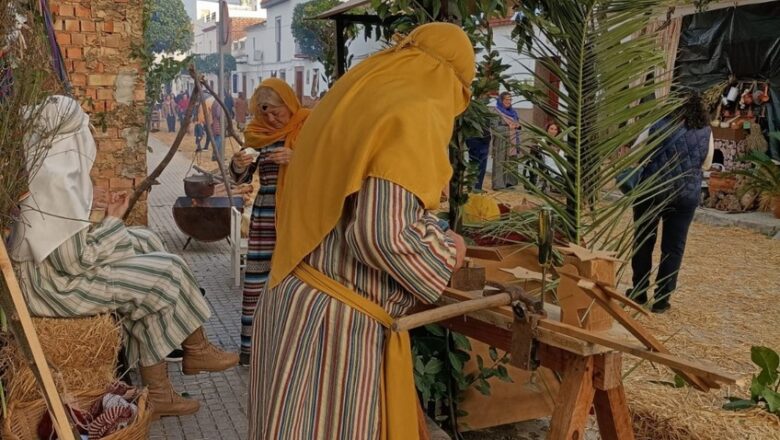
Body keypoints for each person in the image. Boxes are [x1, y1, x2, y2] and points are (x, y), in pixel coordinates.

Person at [247, 22, 471, 440]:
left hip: (295, 299)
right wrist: (447, 249)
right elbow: (380, 235)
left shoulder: (354, 96)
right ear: (451, 81)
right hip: (333, 328)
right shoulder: (415, 110)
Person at [9, 96, 239, 420]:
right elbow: (74, 262)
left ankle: (183, 362)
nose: (87, 132)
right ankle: (188, 357)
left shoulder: (51, 175)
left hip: (56, 273)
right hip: (54, 289)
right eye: (81, 127)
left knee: (144, 239)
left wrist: (102, 215)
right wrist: (113, 224)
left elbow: (66, 245)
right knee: (166, 273)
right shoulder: (54, 186)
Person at [229, 79, 311, 365]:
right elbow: (242, 178)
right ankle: (252, 349)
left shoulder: (309, 128)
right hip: (265, 215)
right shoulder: (257, 135)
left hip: (298, 215)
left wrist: (297, 158)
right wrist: (238, 166)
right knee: (257, 281)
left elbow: (327, 169)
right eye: (266, 114)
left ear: (290, 105)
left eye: (278, 113)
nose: (272, 119)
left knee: (295, 281)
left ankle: (292, 349)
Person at [629, 92, 714, 313]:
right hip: (686, 195)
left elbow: (635, 153)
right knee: (674, 247)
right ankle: (661, 299)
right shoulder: (706, 131)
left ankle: (638, 292)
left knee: (644, 240)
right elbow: (706, 165)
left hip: (652, 191)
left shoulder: (656, 125)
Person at [492, 92, 520, 190]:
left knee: (511, 161)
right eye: (506, 99)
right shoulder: (496, 111)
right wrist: (508, 128)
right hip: (501, 140)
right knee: (500, 161)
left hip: (513, 140)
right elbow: (494, 128)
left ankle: (509, 183)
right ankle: (499, 185)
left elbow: (518, 124)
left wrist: (517, 126)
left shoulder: (513, 112)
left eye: (510, 99)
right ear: (501, 100)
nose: (509, 101)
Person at [466, 124, 491, 192]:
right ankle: (475, 188)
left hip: (482, 139)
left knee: (479, 165)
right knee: (478, 165)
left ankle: (476, 187)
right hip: (477, 138)